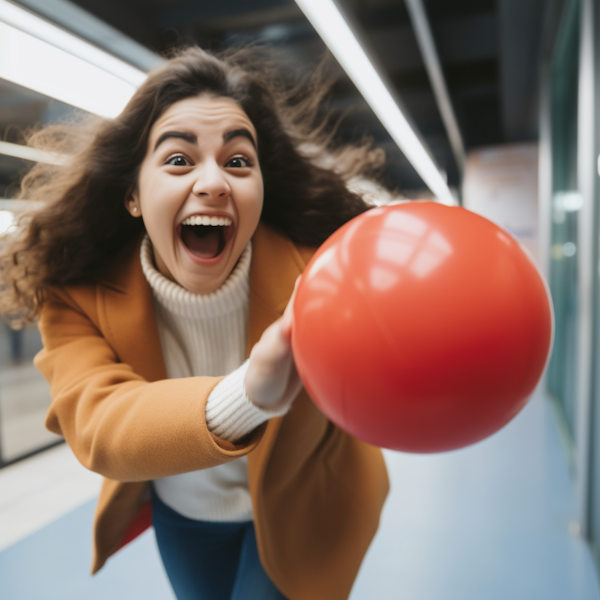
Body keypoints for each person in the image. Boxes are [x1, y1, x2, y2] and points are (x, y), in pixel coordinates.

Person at [0, 47, 389, 600]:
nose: (214, 182)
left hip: (309, 503)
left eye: (238, 162)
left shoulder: (324, 269)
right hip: (184, 515)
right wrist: (249, 394)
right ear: (133, 195)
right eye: (179, 160)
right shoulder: (75, 293)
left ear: (260, 189)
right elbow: (99, 426)